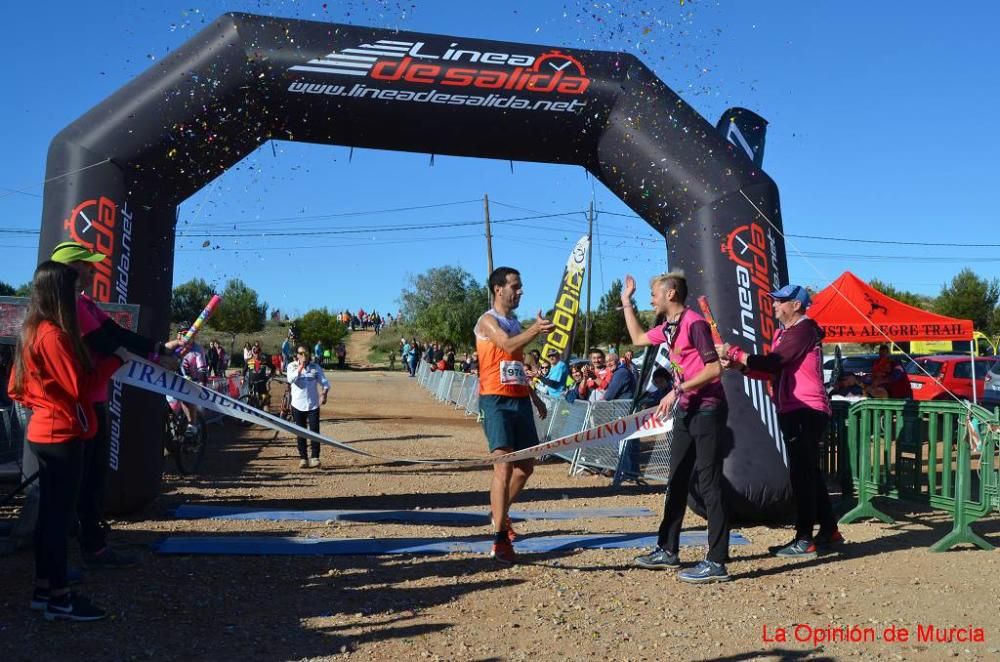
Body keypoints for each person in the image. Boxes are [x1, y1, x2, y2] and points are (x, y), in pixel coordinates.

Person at [51, 241, 179, 570]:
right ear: (71, 269)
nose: (94, 272)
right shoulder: (70, 307)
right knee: (85, 482)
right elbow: (106, 345)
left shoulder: (83, 302)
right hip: (79, 407)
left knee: (91, 479)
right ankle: (82, 553)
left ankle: (85, 547)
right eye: (87, 266)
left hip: (93, 402)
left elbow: (116, 334)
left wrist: (158, 347)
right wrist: (155, 359)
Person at [8, 261, 115, 621]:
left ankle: (44, 590)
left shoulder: (31, 330)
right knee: (58, 520)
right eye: (71, 290)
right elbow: (79, 387)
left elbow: (16, 387)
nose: (77, 296)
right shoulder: (54, 335)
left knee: (50, 517)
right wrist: (115, 361)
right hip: (62, 433)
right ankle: (60, 599)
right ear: (57, 292)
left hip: (44, 430)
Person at [718, 283, 843, 560]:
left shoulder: (803, 330)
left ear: (795, 305)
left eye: (779, 301)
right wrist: (740, 365)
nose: (774, 305)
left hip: (805, 408)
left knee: (802, 475)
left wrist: (737, 354)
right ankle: (829, 531)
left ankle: (804, 539)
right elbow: (772, 371)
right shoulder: (786, 333)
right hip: (795, 408)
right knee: (809, 472)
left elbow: (774, 363)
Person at [621, 271, 731, 583]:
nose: (651, 298)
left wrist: (678, 389)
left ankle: (717, 561)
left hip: (707, 409)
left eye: (654, 293)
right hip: (686, 409)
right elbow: (638, 339)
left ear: (670, 294)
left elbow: (714, 370)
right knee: (677, 480)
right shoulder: (669, 327)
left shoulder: (694, 323)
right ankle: (667, 549)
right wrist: (626, 302)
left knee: (709, 484)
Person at [475, 267, 554, 564]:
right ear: (498, 289)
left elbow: (515, 362)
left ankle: (499, 512)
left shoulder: (514, 321)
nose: (520, 291)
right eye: (515, 286)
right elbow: (506, 345)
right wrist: (535, 330)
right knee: (504, 466)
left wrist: (534, 397)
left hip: (519, 399)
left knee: (525, 467)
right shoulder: (487, 321)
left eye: (520, 287)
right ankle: (499, 539)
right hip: (495, 399)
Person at [287, 346, 330, 468]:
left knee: (314, 431)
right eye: (301, 353)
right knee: (300, 432)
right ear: (297, 355)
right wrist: (300, 367)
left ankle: (315, 457)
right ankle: (303, 458)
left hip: (313, 405)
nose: (303, 355)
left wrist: (324, 394)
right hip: (297, 405)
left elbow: (325, 383)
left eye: (305, 353)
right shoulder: (291, 366)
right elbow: (290, 379)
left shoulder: (315, 367)